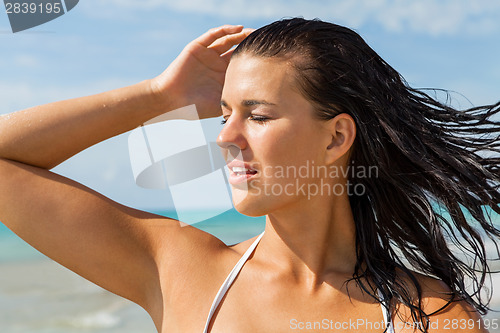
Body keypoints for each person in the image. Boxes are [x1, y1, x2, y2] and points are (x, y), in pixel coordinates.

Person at [0, 17, 499, 332]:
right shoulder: (180, 271)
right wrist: (160, 96)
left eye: (257, 116)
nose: (224, 136)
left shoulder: (430, 318)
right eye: (223, 115)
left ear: (335, 138)